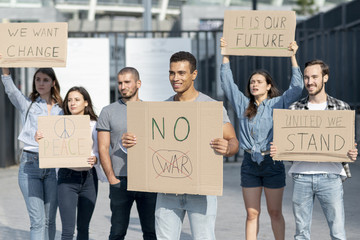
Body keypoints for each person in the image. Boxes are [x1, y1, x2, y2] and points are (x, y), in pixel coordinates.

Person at [122, 51, 239, 240]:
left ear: (194, 74)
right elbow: (145, 144)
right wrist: (129, 142)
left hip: (201, 191)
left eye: (181, 73)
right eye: (172, 73)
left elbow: (233, 141)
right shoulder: (162, 109)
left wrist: (228, 148)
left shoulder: (209, 107)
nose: (175, 78)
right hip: (167, 191)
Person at [220, 38, 304, 240]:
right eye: (251, 82)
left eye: (258, 82)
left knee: (275, 212)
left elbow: (297, 87)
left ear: (268, 86)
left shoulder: (279, 102)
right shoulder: (243, 105)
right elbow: (227, 84)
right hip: (249, 163)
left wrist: (292, 55)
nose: (254, 84)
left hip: (272, 163)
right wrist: (225, 54)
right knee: (252, 213)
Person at [270, 59, 358, 240]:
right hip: (302, 176)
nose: (310, 82)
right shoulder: (294, 109)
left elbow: (349, 146)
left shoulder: (341, 108)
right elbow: (287, 146)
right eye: (306, 77)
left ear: (325, 78)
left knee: (338, 233)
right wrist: (278, 150)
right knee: (301, 234)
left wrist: (352, 153)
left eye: (315, 77)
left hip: (331, 177)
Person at [36, 86, 107, 239]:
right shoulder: (58, 124)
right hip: (66, 179)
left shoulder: (95, 125)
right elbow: (50, 146)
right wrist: (40, 139)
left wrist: (96, 158)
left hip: (89, 178)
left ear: (86, 102)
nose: (72, 103)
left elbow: (102, 149)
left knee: (83, 228)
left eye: (77, 100)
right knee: (68, 231)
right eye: (69, 100)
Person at [1, 66, 62, 240]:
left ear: (53, 83)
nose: (41, 83)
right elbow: (11, 91)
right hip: (30, 164)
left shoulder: (62, 109)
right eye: (38, 79)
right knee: (37, 220)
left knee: (50, 220)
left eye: (45, 80)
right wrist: (5, 69)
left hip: (54, 167)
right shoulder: (27, 104)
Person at [97, 67, 157, 240]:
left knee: (151, 232)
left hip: (147, 180)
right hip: (120, 180)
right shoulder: (108, 111)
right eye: (120, 83)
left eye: (127, 82)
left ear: (138, 83)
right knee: (117, 232)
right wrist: (111, 178)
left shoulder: (151, 110)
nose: (123, 87)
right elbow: (103, 148)